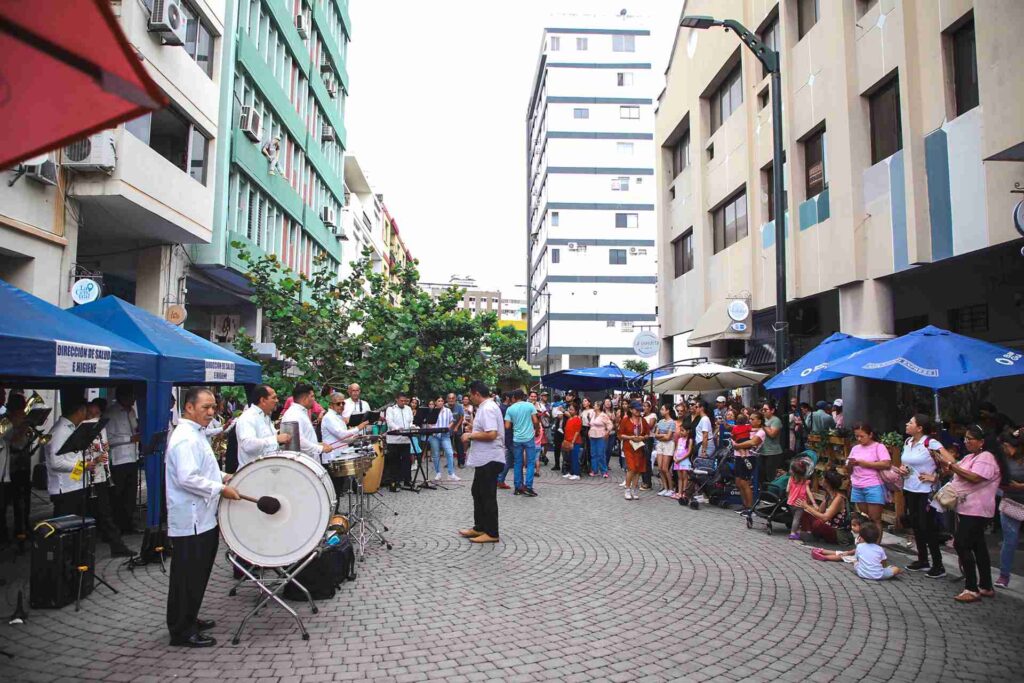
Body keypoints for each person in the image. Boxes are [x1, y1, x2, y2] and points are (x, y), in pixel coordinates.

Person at [165, 387, 241, 647]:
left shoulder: (196, 434)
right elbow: (187, 477)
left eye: (213, 407)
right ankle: (181, 631)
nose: (211, 412)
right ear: (188, 407)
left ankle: (189, 617)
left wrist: (222, 476)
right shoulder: (185, 437)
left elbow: (203, 469)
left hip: (203, 517)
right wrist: (221, 488)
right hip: (192, 519)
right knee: (187, 577)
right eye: (205, 407)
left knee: (197, 575)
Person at [934, 424, 1005, 602]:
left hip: (977, 509)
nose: (966, 442)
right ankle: (986, 586)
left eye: (970, 439)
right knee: (978, 546)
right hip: (968, 508)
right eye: (965, 438)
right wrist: (945, 465)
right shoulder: (971, 457)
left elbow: (974, 477)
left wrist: (949, 464)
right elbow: (958, 471)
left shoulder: (986, 457)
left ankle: (971, 588)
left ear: (981, 441)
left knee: (961, 544)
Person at [896, 413, 948, 578]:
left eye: (910, 422)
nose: (906, 424)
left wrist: (936, 477)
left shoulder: (931, 443)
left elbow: (951, 462)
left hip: (926, 491)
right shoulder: (908, 442)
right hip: (910, 488)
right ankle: (923, 560)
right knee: (916, 525)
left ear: (919, 428)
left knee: (928, 527)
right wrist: (902, 469)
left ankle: (938, 565)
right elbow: (905, 463)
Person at [82, 400, 133, 557]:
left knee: (105, 512)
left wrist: (104, 450)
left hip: (101, 476)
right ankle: (85, 547)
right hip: (85, 478)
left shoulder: (101, 428)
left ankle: (115, 544)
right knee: (87, 513)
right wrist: (92, 459)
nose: (96, 417)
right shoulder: (82, 429)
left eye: (98, 414)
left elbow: (105, 445)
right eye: (92, 414)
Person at [458, 382, 505, 544]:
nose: (470, 398)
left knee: (487, 495)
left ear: (476, 394)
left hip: (490, 458)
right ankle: (480, 527)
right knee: (477, 492)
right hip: (485, 459)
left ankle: (492, 533)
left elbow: (492, 434)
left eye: (471, 395)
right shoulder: (486, 407)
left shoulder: (488, 408)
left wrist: (470, 435)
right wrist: (474, 427)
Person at [104, 386, 141, 534]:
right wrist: (130, 438)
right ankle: (118, 525)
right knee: (118, 494)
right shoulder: (111, 413)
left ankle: (128, 523)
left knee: (130, 494)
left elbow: (135, 429)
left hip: (133, 456)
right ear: (123, 397)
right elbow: (109, 440)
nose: (134, 400)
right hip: (119, 459)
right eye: (131, 397)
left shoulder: (131, 412)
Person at [45, 397, 90, 518]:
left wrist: (85, 465)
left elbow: (72, 457)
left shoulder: (71, 428)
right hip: (65, 489)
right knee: (65, 524)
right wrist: (84, 466)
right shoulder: (60, 431)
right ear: (80, 411)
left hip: (74, 485)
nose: (86, 415)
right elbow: (56, 463)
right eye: (86, 411)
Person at [845, 422, 890, 542]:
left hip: (873, 485)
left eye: (862, 436)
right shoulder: (855, 448)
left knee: (875, 519)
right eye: (857, 436)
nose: (859, 439)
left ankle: (876, 546)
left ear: (870, 435)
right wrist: (850, 464)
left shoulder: (878, 447)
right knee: (864, 518)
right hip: (857, 485)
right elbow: (848, 469)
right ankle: (866, 543)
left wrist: (865, 464)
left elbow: (886, 463)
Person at [235, 384, 291, 468]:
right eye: (274, 398)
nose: (277, 401)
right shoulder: (248, 417)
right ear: (263, 400)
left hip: (265, 470)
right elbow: (248, 445)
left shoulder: (265, 417)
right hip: (252, 473)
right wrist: (276, 439)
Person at [996, 430, 1024, 588]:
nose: (1004, 449)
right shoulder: (1004, 460)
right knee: (1010, 541)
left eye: (1006, 446)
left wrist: (1020, 486)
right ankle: (1004, 575)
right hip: (1010, 503)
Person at [281, 383, 333, 463]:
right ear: (305, 399)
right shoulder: (293, 415)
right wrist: (320, 448)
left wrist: (318, 444)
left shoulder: (301, 412)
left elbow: (306, 437)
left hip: (310, 463)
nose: (314, 399)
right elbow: (299, 441)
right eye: (312, 396)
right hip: (303, 465)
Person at [505, 390, 539, 496]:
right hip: (529, 438)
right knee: (530, 463)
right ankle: (528, 487)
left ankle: (518, 487)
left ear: (514, 397)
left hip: (517, 439)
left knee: (518, 463)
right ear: (524, 397)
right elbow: (535, 421)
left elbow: (507, 426)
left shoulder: (510, 409)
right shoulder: (530, 406)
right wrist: (536, 430)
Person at [799, 470, 849, 544]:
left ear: (828, 483)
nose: (821, 480)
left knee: (818, 523)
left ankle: (812, 536)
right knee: (805, 514)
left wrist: (807, 507)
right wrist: (809, 506)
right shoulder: (829, 496)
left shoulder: (839, 498)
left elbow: (825, 517)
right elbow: (819, 511)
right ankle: (809, 534)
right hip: (828, 526)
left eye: (823, 479)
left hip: (838, 533)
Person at [732, 412, 765, 514]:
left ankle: (750, 507)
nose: (750, 421)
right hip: (738, 456)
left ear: (759, 421)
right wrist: (735, 442)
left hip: (750, 457)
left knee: (744, 482)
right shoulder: (746, 427)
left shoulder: (761, 432)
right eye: (749, 419)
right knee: (738, 482)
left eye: (753, 419)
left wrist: (738, 445)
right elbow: (734, 435)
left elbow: (752, 443)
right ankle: (745, 505)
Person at [618, 401, 649, 501]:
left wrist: (642, 437)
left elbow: (648, 434)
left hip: (639, 447)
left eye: (640, 409)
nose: (638, 411)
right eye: (636, 409)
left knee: (638, 469)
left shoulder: (643, 420)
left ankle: (634, 489)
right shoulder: (625, 420)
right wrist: (630, 437)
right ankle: (627, 489)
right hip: (629, 446)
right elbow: (620, 435)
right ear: (631, 410)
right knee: (631, 468)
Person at [384, 392, 414, 492]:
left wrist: (412, 427)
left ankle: (407, 480)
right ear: (396, 400)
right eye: (401, 401)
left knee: (407, 461)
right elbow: (390, 422)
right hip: (393, 440)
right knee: (394, 462)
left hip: (405, 440)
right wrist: (398, 428)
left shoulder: (408, 409)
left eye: (405, 401)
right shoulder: (390, 409)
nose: (403, 403)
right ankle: (394, 482)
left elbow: (410, 421)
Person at [428, 397, 459, 481]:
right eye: (439, 401)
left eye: (442, 401)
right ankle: (438, 473)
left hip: (445, 435)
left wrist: (447, 428)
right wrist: (433, 429)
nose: (441, 402)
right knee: (435, 455)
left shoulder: (447, 411)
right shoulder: (432, 411)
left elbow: (452, 421)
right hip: (434, 436)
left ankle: (451, 473)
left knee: (449, 453)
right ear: (435, 402)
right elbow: (429, 423)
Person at [653, 404, 677, 497]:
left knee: (665, 468)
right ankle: (665, 487)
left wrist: (661, 436)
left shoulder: (672, 422)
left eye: (662, 409)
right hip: (660, 445)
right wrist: (664, 436)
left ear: (667, 411)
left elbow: (668, 437)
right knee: (660, 468)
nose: (661, 411)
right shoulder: (660, 421)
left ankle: (671, 489)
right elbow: (656, 434)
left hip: (668, 445)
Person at [787, 459, 812, 540]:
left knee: (795, 517)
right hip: (800, 502)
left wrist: (789, 496)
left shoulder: (791, 479)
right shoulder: (804, 481)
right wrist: (813, 502)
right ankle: (793, 533)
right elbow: (808, 492)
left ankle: (796, 530)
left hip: (791, 502)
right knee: (797, 518)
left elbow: (787, 490)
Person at [588, 402, 613, 479]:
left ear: (599, 407)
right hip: (592, 435)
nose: (593, 406)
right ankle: (594, 470)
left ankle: (604, 471)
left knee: (601, 454)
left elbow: (610, 424)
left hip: (601, 436)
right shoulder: (592, 414)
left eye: (595, 405)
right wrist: (589, 431)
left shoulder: (603, 415)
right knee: (593, 454)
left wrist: (607, 432)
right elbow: (591, 424)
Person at [760, 401, 785, 480]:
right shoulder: (763, 419)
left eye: (765, 410)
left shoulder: (776, 420)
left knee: (770, 476)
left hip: (772, 452)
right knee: (762, 475)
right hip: (762, 451)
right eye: (762, 410)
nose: (763, 411)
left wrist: (763, 425)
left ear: (772, 410)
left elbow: (772, 434)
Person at [561, 403, 583, 481]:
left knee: (575, 458)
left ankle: (576, 474)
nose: (570, 411)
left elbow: (577, 432)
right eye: (569, 409)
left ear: (576, 411)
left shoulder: (578, 419)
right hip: (568, 441)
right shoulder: (570, 419)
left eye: (572, 409)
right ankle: (571, 472)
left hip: (575, 442)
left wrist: (572, 442)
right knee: (570, 458)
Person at [672, 422, 694, 504]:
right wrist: (674, 457)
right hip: (677, 460)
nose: (681, 432)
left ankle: (684, 493)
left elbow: (688, 452)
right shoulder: (679, 439)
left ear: (688, 431)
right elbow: (676, 449)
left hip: (684, 461)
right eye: (680, 430)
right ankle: (679, 492)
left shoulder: (690, 440)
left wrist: (680, 459)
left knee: (685, 478)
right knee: (679, 477)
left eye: (683, 430)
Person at [448, 393, 466, 468]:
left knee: (459, 446)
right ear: (447, 399)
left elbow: (462, 417)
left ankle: (461, 462)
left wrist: (456, 427)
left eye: (453, 398)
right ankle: (450, 462)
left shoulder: (459, 406)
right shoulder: (445, 407)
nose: (451, 400)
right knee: (448, 447)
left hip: (457, 429)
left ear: (455, 399)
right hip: (448, 430)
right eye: (450, 398)